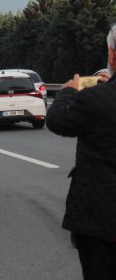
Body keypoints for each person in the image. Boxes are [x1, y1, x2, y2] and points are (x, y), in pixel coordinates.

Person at [46, 25, 116, 280]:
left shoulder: (96, 99)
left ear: (112, 54)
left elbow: (57, 121)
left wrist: (66, 92)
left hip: (101, 223)